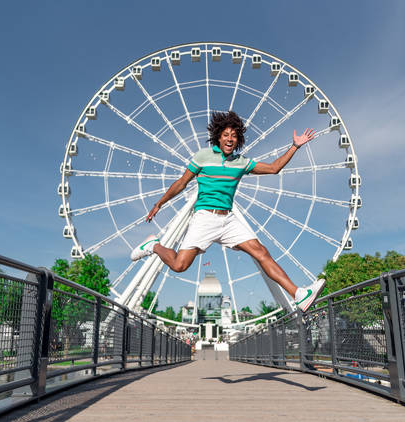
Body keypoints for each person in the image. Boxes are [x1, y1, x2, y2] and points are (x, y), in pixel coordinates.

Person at [131, 111, 325, 312]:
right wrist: (159, 204)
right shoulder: (202, 157)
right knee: (180, 265)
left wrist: (294, 146)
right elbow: (181, 183)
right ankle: (154, 246)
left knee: (261, 252)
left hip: (228, 219)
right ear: (218, 137)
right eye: (226, 135)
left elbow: (273, 168)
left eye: (233, 136)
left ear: (238, 139)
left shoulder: (241, 162)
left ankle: (298, 295)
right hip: (205, 217)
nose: (229, 139)